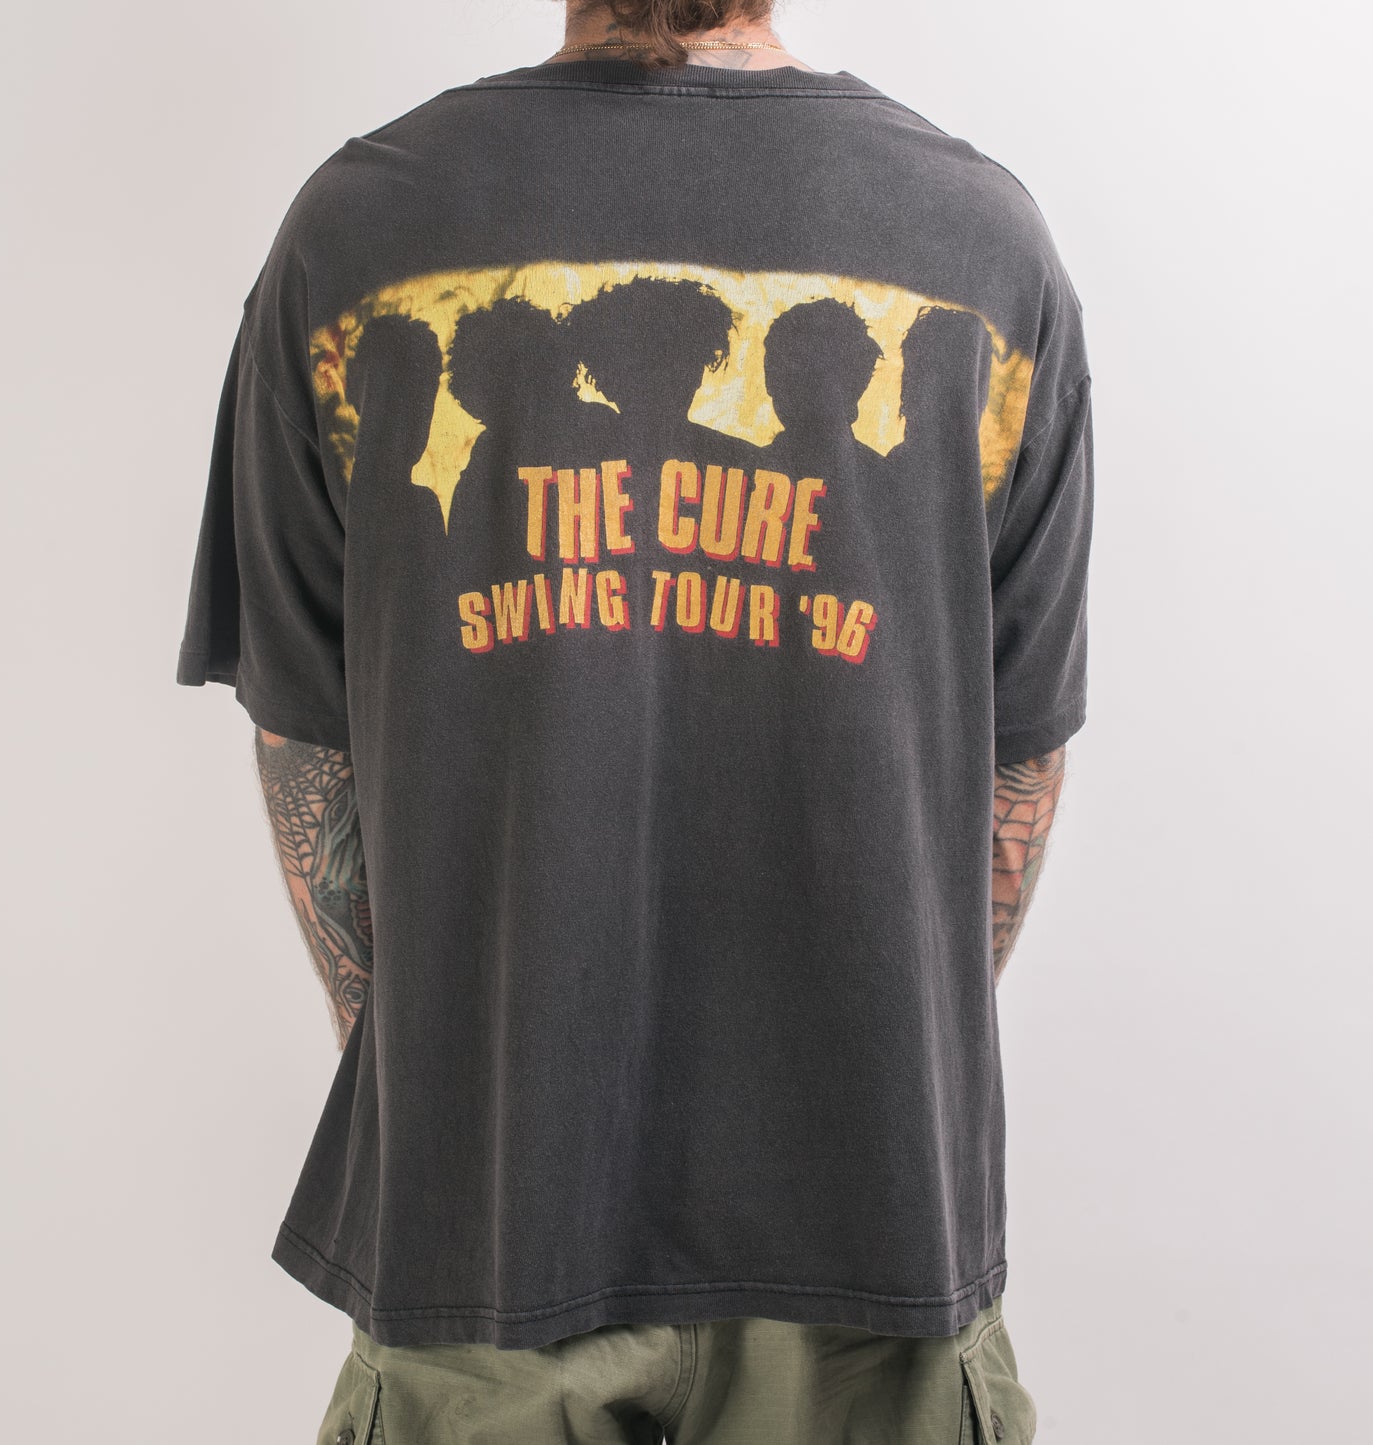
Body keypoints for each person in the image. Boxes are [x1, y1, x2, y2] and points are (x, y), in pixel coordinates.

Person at [174, 0, 1093, 1439]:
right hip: (766, 1211)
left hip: (654, 1225)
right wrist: (880, 1024)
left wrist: (450, 1061)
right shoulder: (979, 239)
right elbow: (1015, 767)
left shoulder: (364, 228)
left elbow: (309, 752)